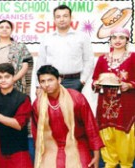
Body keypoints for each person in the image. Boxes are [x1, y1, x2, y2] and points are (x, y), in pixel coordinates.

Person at [32, 65, 104, 168]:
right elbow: (37, 134)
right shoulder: (38, 104)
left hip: (77, 142)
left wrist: (96, 156)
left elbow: (90, 127)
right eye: (42, 81)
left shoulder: (76, 98)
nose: (47, 84)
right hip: (51, 146)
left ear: (59, 80)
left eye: (50, 80)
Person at [92, 27, 135, 168]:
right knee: (106, 135)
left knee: (125, 136)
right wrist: (97, 84)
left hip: (126, 104)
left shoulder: (133, 57)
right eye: (114, 37)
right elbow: (94, 79)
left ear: (127, 40)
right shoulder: (102, 59)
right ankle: (110, 163)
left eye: (121, 38)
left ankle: (126, 165)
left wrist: (129, 85)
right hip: (105, 105)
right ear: (110, 40)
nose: (117, 40)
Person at [35, 4, 94, 92]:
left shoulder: (82, 37)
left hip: (74, 82)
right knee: (51, 106)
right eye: (58, 17)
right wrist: (38, 84)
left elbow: (89, 60)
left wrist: (82, 80)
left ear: (70, 18)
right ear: (54, 19)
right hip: (51, 80)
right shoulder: (47, 38)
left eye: (65, 16)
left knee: (73, 106)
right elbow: (41, 61)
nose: (62, 19)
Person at [0, 20, 32, 94]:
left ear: (11, 30)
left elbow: (25, 66)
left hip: (15, 85)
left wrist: (12, 80)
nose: (4, 29)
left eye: (7, 27)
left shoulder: (20, 47)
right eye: (1, 27)